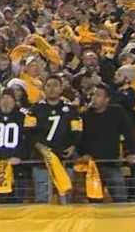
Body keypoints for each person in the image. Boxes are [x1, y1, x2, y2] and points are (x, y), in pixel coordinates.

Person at [78, 83, 135, 203]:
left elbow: (128, 133)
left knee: (120, 198)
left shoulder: (117, 112)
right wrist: (82, 154)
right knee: (94, 200)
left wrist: (130, 152)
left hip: (112, 163)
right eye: (93, 95)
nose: (94, 98)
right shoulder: (85, 115)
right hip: (92, 165)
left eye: (98, 95)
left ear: (107, 99)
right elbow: (78, 138)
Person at [0, 88, 37, 203]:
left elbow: (29, 138)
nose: (6, 101)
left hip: (17, 167)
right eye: (3, 98)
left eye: (9, 98)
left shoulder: (24, 115)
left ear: (15, 101)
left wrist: (20, 156)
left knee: (16, 202)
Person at [31, 74, 80, 204]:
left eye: (55, 85)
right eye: (48, 86)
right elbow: (28, 132)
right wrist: (39, 147)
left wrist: (73, 146)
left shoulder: (71, 109)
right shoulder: (35, 109)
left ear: (61, 89)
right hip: (41, 160)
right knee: (42, 199)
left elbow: (77, 130)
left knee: (66, 199)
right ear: (44, 89)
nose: (52, 89)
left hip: (64, 158)